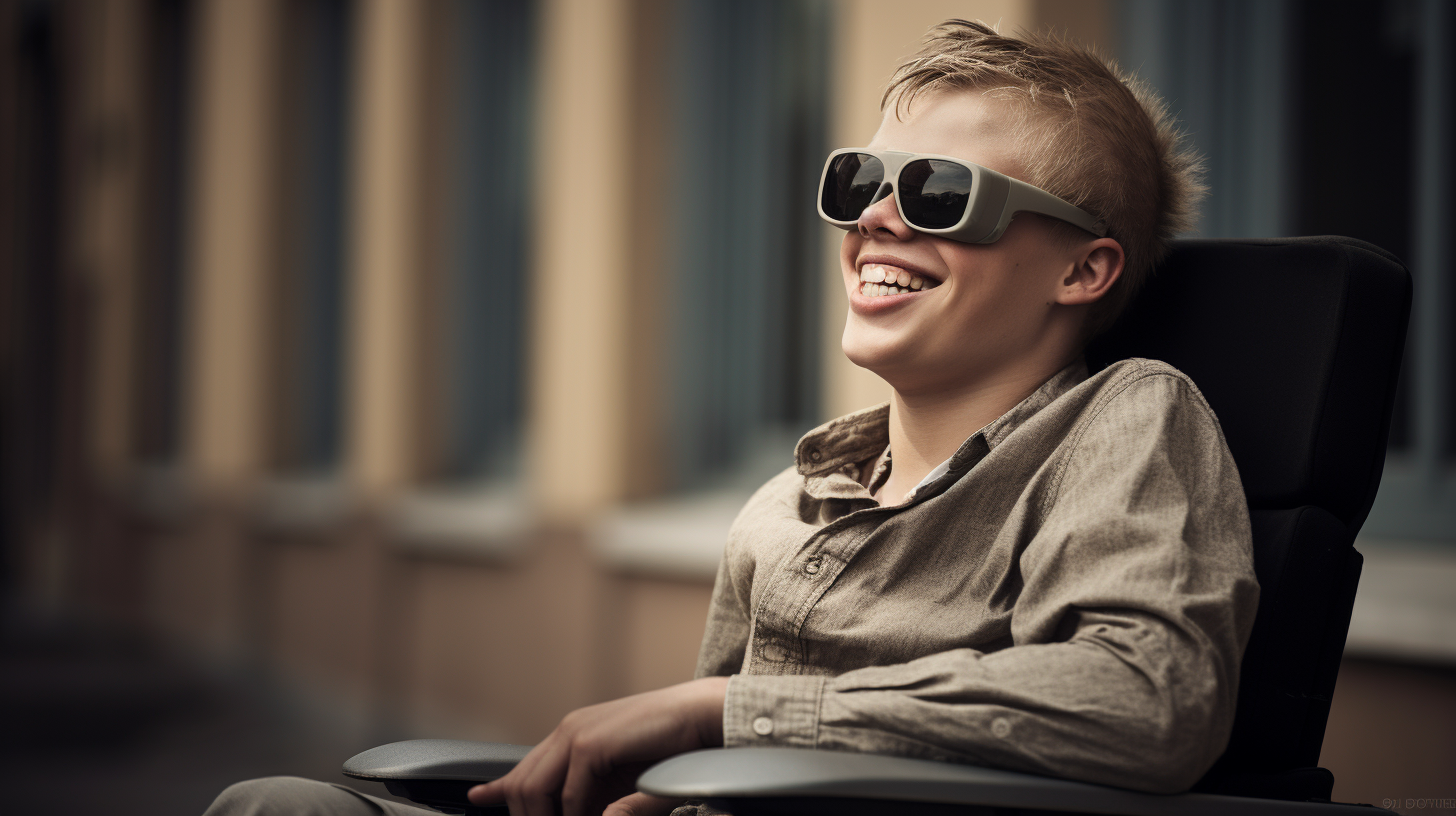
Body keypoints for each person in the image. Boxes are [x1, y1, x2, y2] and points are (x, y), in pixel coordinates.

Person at [204, 19, 1258, 816]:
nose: (876, 218)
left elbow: (1145, 698)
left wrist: (715, 714)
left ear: (1082, 266)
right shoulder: (787, 505)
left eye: (941, 192)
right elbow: (711, 775)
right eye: (858, 182)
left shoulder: (1123, 420)